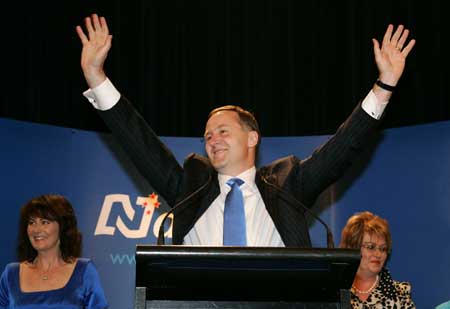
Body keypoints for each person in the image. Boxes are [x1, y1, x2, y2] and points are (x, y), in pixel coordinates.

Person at [75, 14, 415, 247]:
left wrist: (385, 84)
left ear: (252, 137)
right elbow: (138, 141)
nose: (212, 140)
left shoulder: (288, 186)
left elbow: (344, 147)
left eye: (223, 131)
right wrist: (96, 77)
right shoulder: (191, 187)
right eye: (208, 135)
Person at [0, 194, 108, 309]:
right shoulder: (11, 274)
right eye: (31, 222)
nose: (36, 230)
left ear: (62, 227)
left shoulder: (84, 271)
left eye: (45, 222)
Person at [340, 211, 415, 308]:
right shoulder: (335, 292)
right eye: (371, 247)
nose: (378, 254)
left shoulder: (400, 293)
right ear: (352, 247)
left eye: (383, 249)